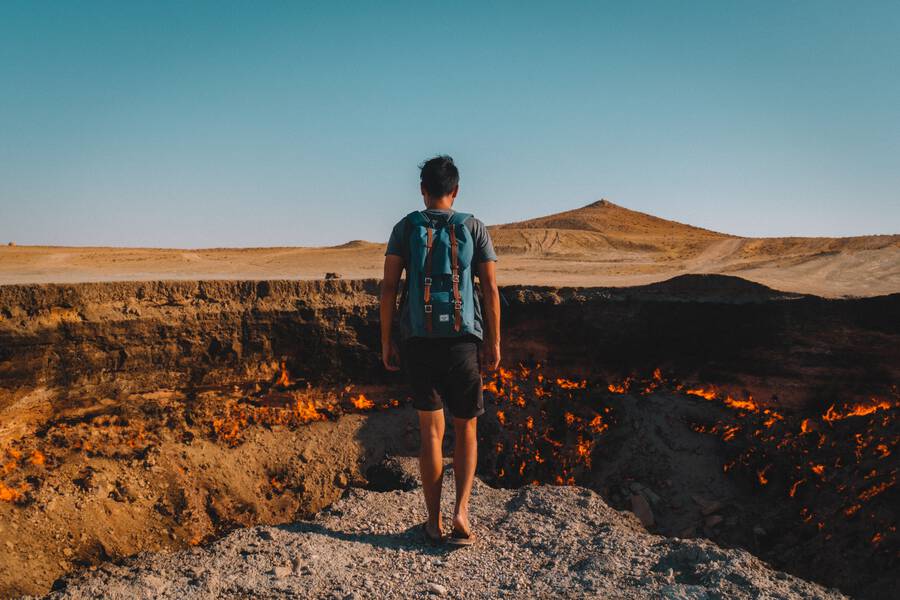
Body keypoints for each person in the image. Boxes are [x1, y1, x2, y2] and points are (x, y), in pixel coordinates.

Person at [380, 155, 500, 546]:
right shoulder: (474, 227)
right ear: (457, 191)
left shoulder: (404, 227)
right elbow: (490, 290)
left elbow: (388, 288)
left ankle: (432, 523)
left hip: (418, 341)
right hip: (463, 342)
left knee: (431, 433)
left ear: (423, 191)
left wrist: (387, 340)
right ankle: (461, 514)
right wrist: (493, 342)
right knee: (467, 428)